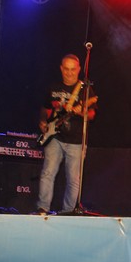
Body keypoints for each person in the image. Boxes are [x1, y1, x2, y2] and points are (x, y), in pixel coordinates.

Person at [36, 54, 96, 214]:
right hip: (54, 137)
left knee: (73, 179)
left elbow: (92, 115)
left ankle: (68, 211)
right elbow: (45, 108)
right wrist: (43, 121)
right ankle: (43, 208)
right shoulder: (53, 87)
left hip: (76, 140)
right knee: (47, 173)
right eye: (66, 69)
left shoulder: (85, 90)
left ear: (79, 69)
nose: (69, 73)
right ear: (61, 69)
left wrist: (80, 111)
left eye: (73, 69)